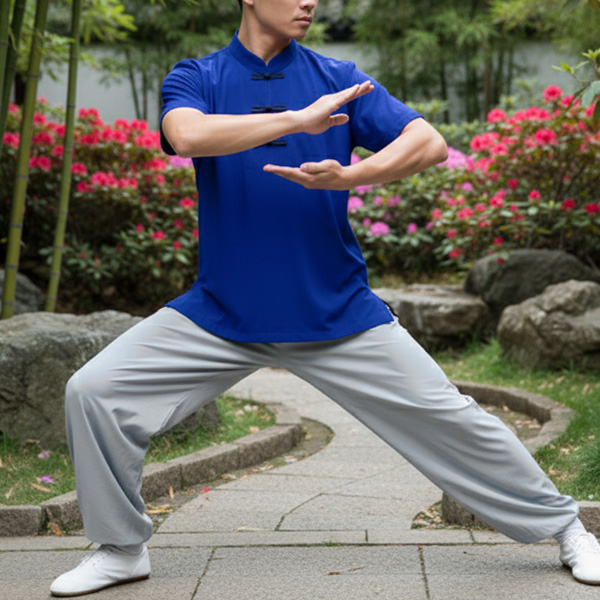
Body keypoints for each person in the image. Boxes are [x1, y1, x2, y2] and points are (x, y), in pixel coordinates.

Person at [50, 0, 600, 596]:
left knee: (454, 417)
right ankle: (120, 548)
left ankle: (567, 528)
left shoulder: (339, 78)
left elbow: (429, 142)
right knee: (94, 391)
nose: (309, 1)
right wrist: (297, 120)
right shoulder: (198, 76)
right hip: (222, 311)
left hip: (335, 310)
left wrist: (352, 176)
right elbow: (186, 135)